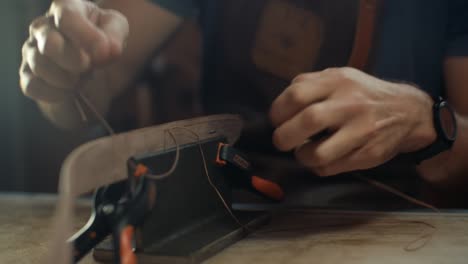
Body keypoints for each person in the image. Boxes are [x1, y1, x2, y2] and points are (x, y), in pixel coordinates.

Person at [18, 0, 468, 192]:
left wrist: (425, 121)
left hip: (393, 223)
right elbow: (88, 89)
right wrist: (61, 66)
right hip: (229, 212)